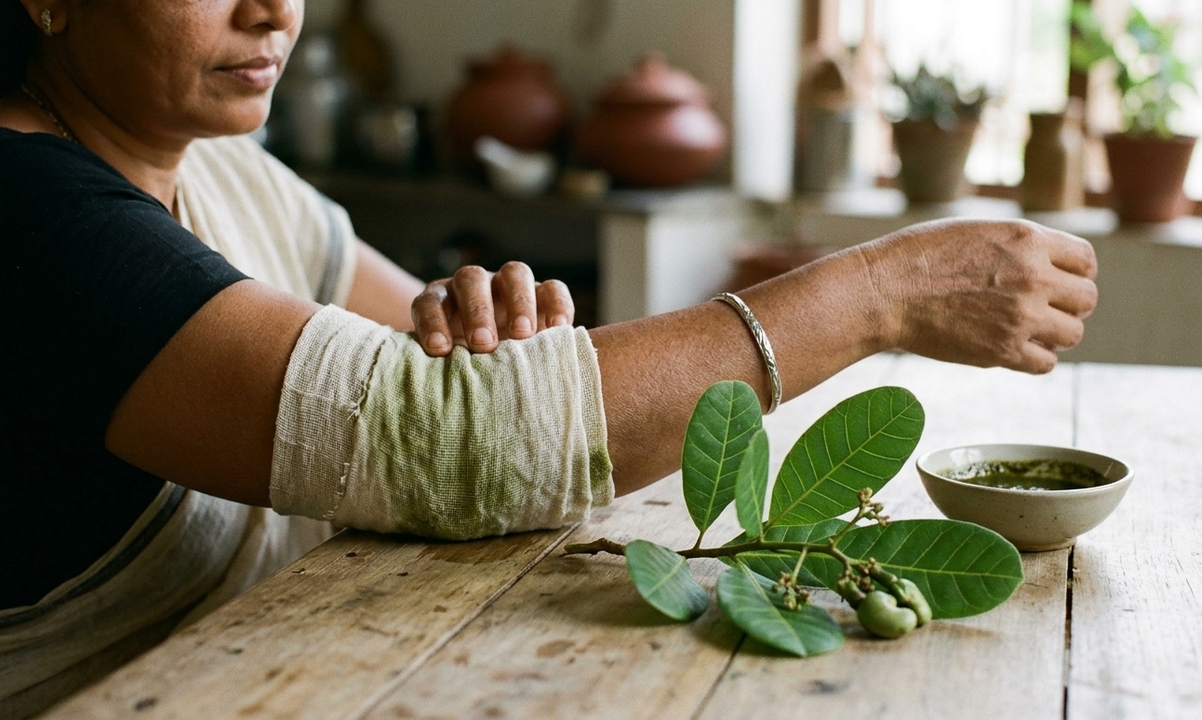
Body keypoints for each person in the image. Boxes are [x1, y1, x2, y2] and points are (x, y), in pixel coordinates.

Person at [0, 0, 1097, 715]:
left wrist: (477, 329)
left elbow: (446, 375)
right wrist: (875, 295)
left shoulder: (222, 171)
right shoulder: (28, 209)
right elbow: (454, 443)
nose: (273, 9)